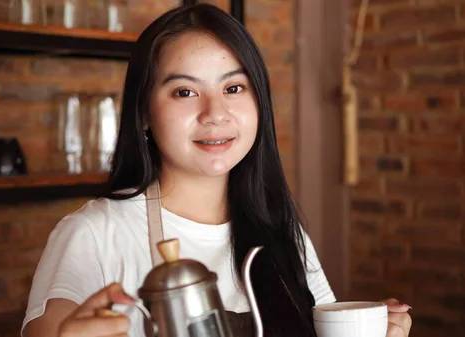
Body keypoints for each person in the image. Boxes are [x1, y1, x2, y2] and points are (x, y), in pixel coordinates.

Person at [22, 3, 412, 337]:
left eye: (233, 88)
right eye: (185, 92)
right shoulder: (94, 233)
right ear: (143, 111)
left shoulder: (277, 225)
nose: (215, 114)